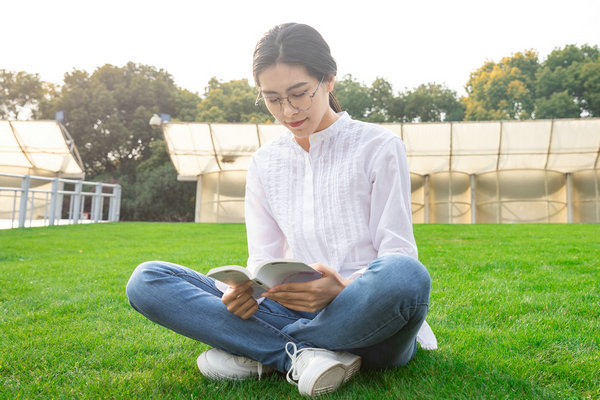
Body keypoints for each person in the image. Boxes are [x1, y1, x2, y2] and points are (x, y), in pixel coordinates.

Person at [126, 22, 435, 397]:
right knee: (148, 280)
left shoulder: (379, 146)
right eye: (272, 99)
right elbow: (262, 261)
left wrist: (341, 289)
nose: (288, 111)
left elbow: (398, 252)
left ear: (329, 80)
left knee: (406, 276)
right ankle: (299, 356)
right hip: (287, 307)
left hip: (366, 312)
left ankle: (259, 350)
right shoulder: (264, 163)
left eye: (299, 94)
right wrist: (244, 292)